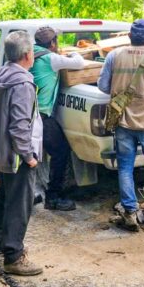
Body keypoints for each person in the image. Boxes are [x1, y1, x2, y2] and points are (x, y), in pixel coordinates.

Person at [98, 19, 144, 230]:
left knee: (125, 167)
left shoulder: (114, 55)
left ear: (129, 36)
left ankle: (129, 212)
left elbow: (103, 86)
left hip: (123, 121)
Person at [0, 31, 44, 276]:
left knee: (5, 197)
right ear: (27, 55)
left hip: (2, 149)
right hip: (18, 154)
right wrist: (29, 155)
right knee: (19, 204)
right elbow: (20, 125)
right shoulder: (22, 84)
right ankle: (14, 256)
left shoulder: (1, 75)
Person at [30, 26, 86, 211]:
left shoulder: (30, 54)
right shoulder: (50, 59)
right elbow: (79, 63)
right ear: (52, 43)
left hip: (26, 114)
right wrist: (73, 53)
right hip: (42, 116)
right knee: (60, 151)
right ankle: (53, 198)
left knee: (29, 156)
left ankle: (28, 194)